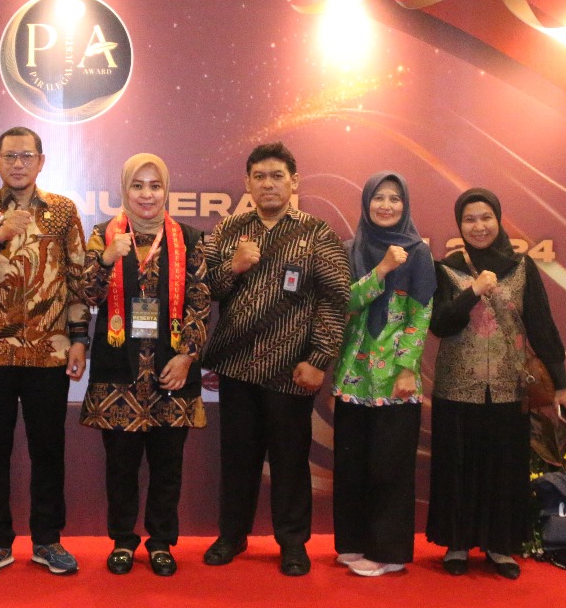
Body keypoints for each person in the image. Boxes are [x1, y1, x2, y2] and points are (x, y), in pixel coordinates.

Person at [201, 141, 350, 576]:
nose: (268, 184)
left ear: (294, 181)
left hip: (292, 367)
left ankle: (292, 542)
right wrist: (233, 267)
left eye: (277, 176)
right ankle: (231, 536)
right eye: (260, 176)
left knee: (290, 460)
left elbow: (335, 299)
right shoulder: (229, 230)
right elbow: (205, 289)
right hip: (236, 366)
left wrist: (319, 358)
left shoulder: (317, 233)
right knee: (237, 458)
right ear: (247, 183)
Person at [0, 126, 89, 578]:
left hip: (49, 354)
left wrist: (79, 339)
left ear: (41, 161)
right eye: (9, 156)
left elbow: (77, 279)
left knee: (48, 451)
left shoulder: (63, 211)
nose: (18, 164)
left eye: (26, 156)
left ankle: (48, 540)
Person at [427, 188, 566, 580]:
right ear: (459, 225)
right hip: (457, 387)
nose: (478, 226)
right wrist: (472, 292)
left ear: (498, 220)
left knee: (504, 469)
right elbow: (439, 324)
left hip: (509, 387)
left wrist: (561, 384)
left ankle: (499, 545)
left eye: (485, 218)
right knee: (458, 466)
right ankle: (457, 544)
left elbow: (542, 327)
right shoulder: (447, 268)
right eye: (469, 219)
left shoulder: (522, 267)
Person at [80, 153, 209, 577]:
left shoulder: (190, 238)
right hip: (118, 371)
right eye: (138, 185)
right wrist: (105, 260)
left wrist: (188, 356)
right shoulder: (103, 235)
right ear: (125, 189)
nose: (147, 195)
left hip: (172, 371)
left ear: (166, 189)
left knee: (167, 466)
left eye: (155, 185)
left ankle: (160, 542)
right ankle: (122, 540)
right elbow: (86, 296)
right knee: (120, 467)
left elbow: (200, 303)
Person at [330, 172, 435, 577]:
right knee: (352, 464)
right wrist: (382, 269)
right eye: (379, 197)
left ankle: (387, 551)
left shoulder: (419, 253)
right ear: (366, 203)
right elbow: (344, 302)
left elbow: (421, 314)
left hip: (395, 378)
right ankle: (354, 542)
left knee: (389, 467)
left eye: (395, 198)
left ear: (405, 205)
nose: (386, 205)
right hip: (353, 375)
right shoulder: (350, 249)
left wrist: (407, 368)